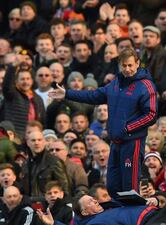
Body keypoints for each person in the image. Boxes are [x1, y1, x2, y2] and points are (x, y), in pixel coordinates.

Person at [49, 48, 158, 198]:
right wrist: (67, 93)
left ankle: (131, 218)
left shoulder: (146, 85)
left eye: (130, 65)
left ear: (137, 63)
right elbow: (93, 95)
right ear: (119, 65)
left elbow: (151, 115)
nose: (127, 69)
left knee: (130, 188)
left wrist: (127, 128)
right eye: (124, 65)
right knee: (112, 185)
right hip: (115, 141)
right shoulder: (115, 83)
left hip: (132, 142)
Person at [37, 182, 166, 225]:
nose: (95, 200)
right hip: (149, 224)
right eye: (90, 202)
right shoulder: (93, 223)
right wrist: (54, 224)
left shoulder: (111, 205)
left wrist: (153, 200)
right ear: (84, 213)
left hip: (156, 213)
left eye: (93, 198)